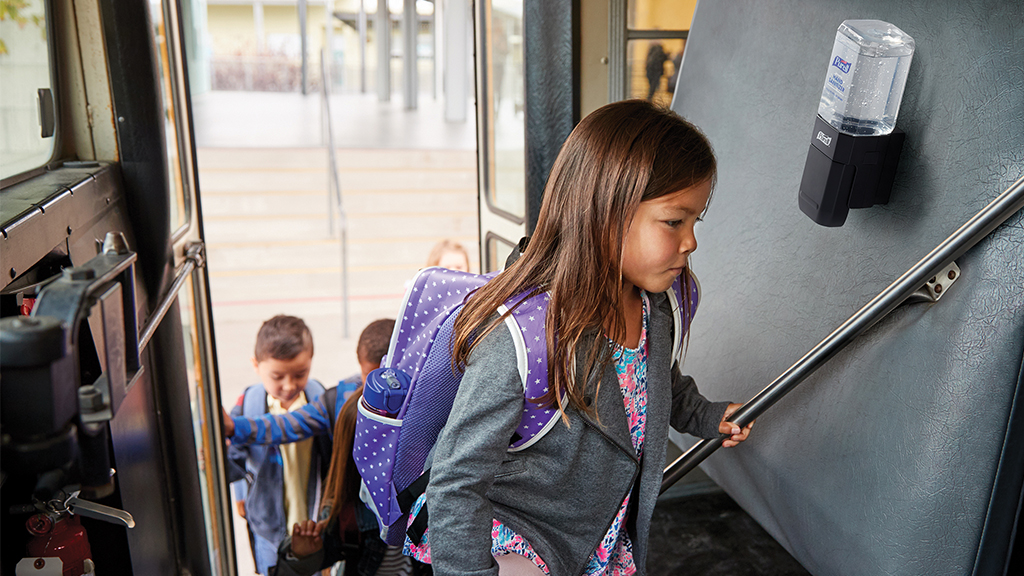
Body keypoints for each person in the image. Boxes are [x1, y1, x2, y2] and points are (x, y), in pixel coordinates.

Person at [396, 99, 750, 575]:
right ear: (606, 213)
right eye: (674, 221)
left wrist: (707, 416)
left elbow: (655, 386)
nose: (690, 243)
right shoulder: (523, 337)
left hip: (596, 539)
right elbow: (459, 479)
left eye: (694, 222)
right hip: (512, 540)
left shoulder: (654, 309)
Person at [227, 315, 330, 576]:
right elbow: (233, 456)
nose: (289, 385)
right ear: (256, 365)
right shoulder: (247, 406)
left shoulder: (320, 402)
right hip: (268, 525)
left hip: (312, 521)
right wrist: (240, 494)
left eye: (300, 374)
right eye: (277, 375)